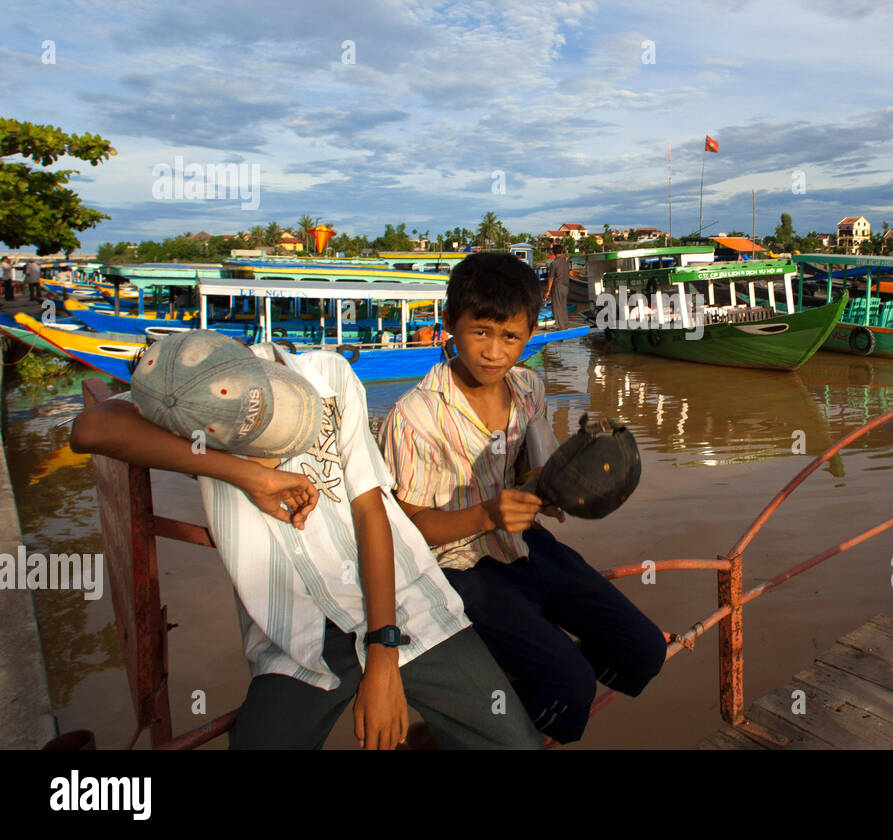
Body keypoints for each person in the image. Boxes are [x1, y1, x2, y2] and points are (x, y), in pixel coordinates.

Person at [70, 330, 540, 750]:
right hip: (295, 635)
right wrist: (247, 474)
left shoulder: (327, 375)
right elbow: (90, 429)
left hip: (401, 608)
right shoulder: (193, 398)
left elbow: (369, 508)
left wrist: (382, 654)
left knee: (512, 740)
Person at [379, 252, 665, 744]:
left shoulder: (529, 387)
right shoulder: (413, 416)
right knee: (569, 686)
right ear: (450, 323)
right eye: (481, 332)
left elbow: (524, 471)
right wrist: (489, 513)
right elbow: (403, 531)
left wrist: (551, 489)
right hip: (454, 569)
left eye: (510, 337)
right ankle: (451, 731)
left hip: (523, 546)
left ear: (531, 333)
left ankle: (522, 686)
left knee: (642, 649)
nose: (494, 352)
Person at [543, 243, 570, 330]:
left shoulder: (554, 263)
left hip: (558, 286)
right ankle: (565, 325)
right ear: (561, 251)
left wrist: (548, 291)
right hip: (565, 286)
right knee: (563, 306)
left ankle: (559, 326)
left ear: (553, 252)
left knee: (557, 307)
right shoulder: (566, 262)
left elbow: (551, 278)